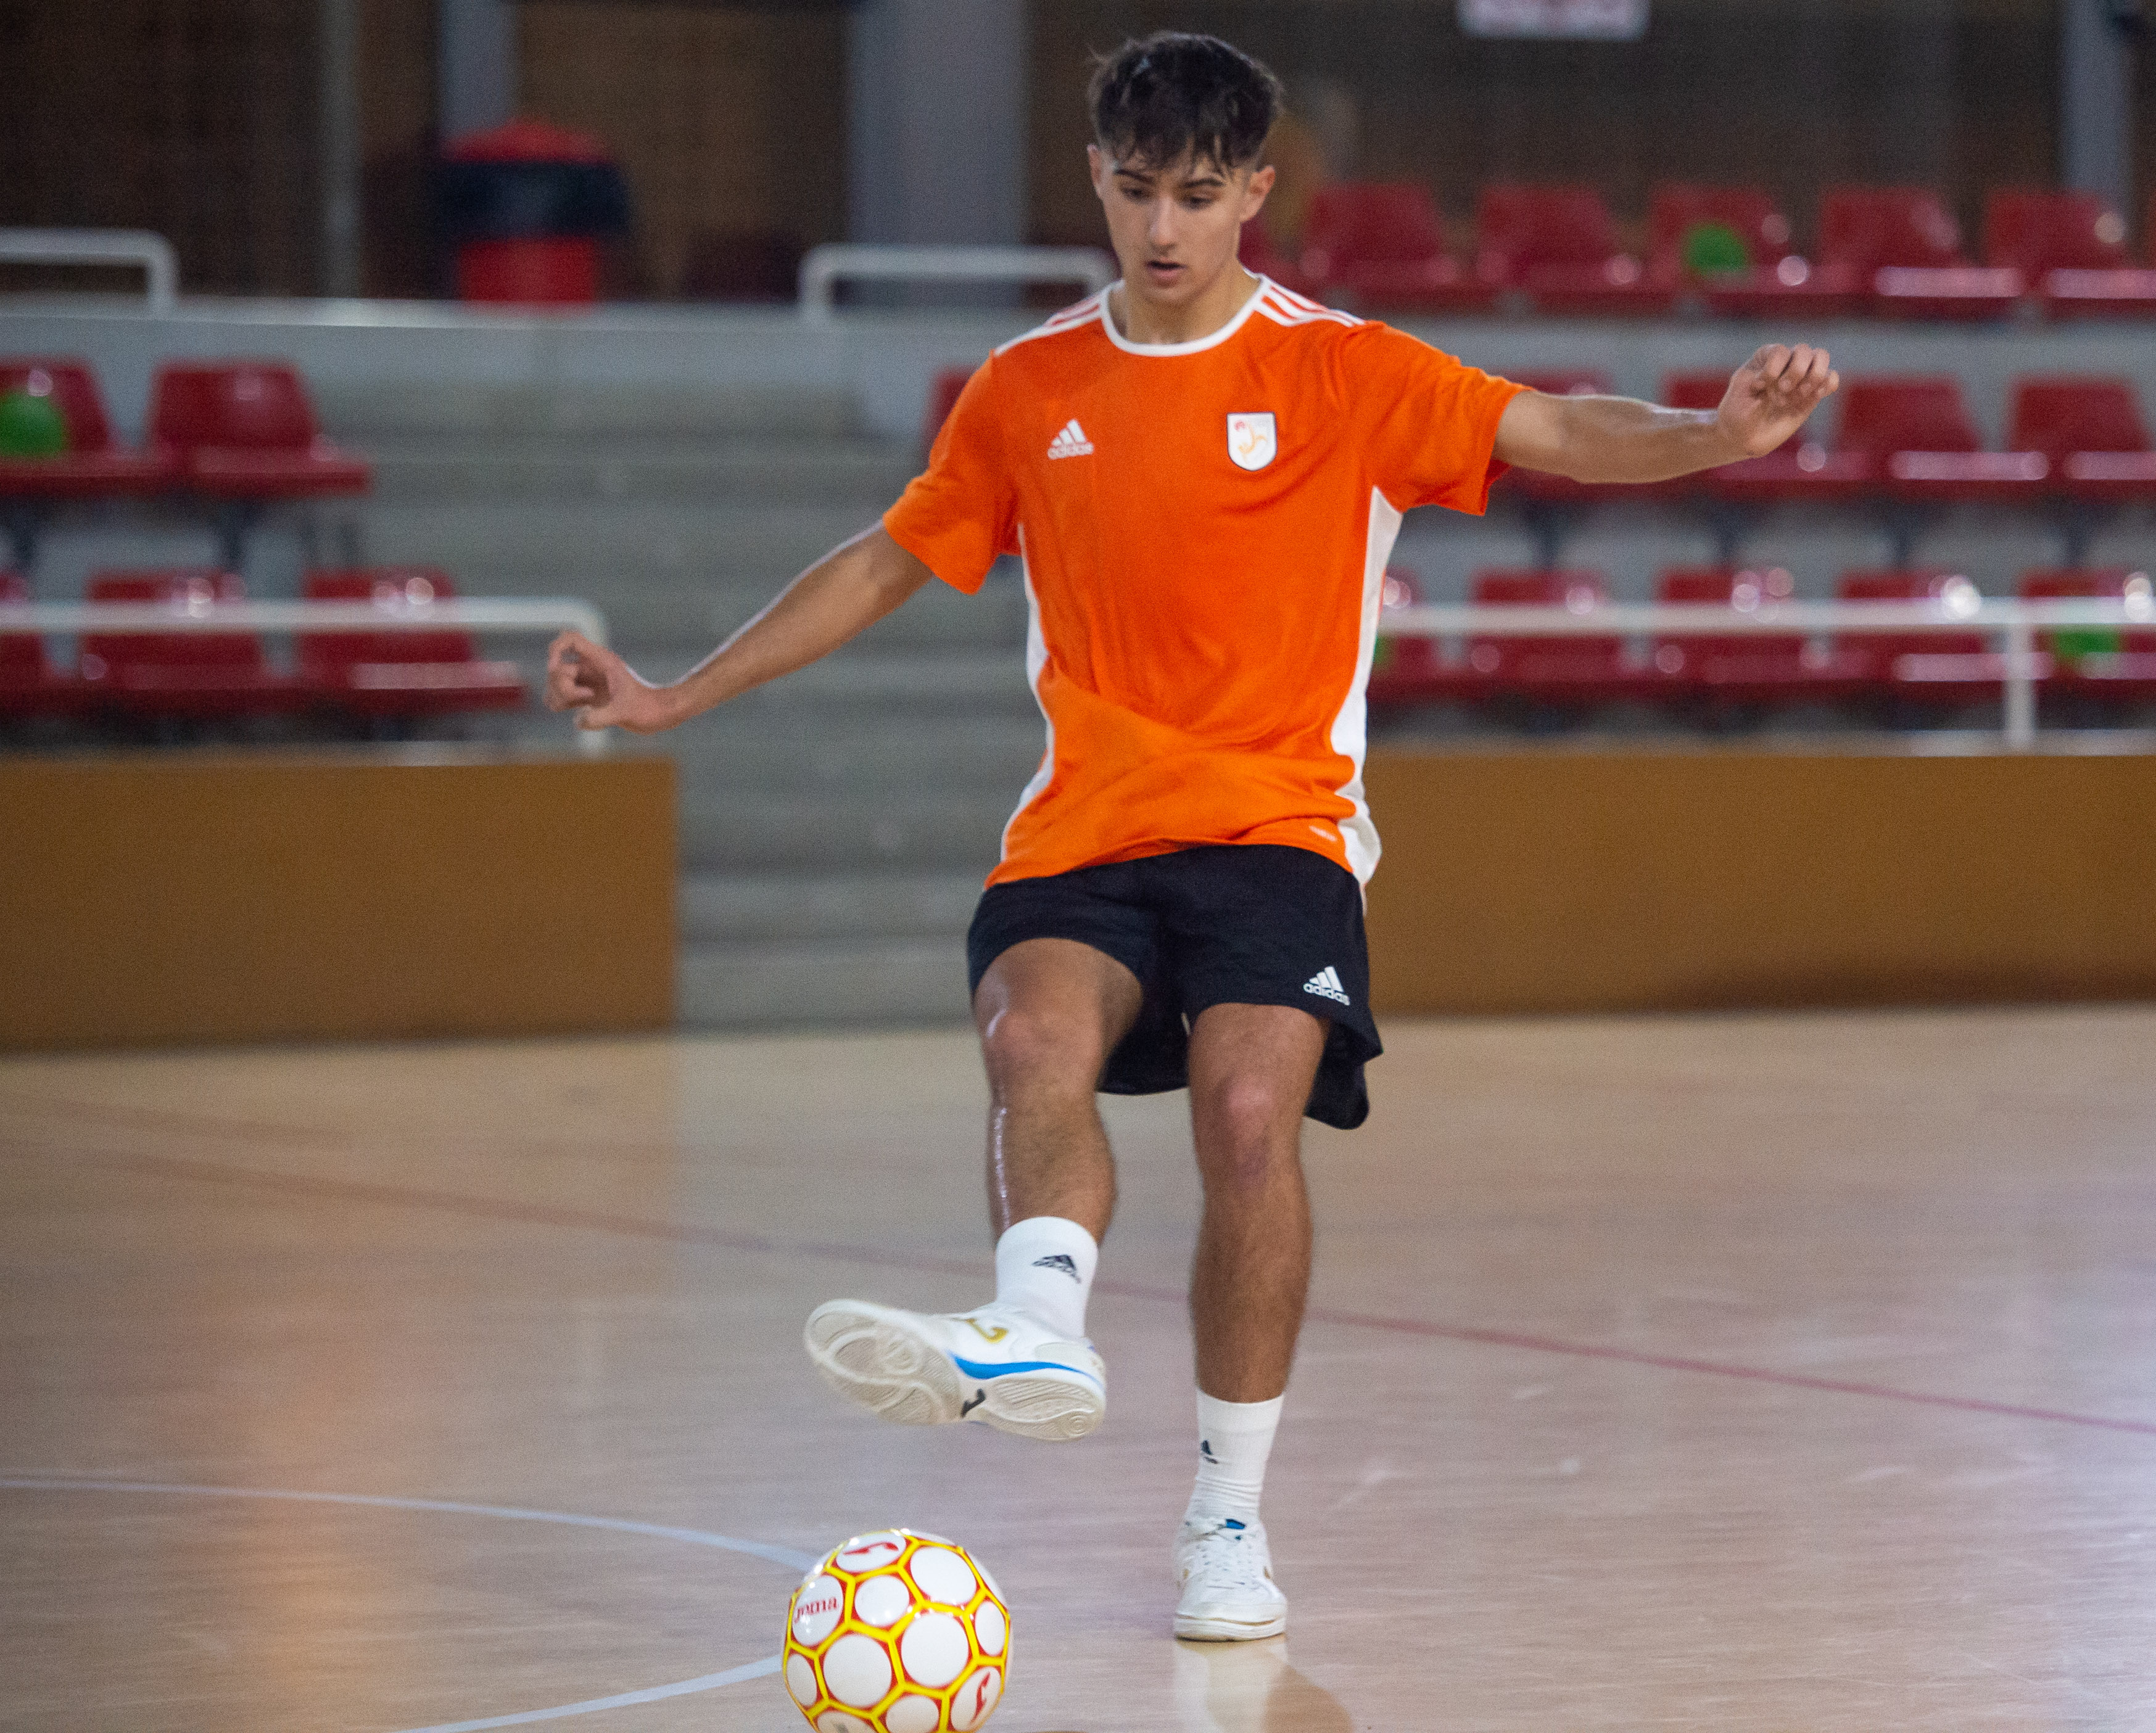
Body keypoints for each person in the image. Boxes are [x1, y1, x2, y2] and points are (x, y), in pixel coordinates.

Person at [544, 30, 1836, 1644]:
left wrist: (1715, 435)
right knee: (1031, 1030)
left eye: (1202, 195)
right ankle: (1040, 1327)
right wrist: (676, 694)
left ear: (1257, 197)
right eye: (1140, 190)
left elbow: (1559, 429)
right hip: (1081, 828)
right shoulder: (1027, 391)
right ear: (1097, 175)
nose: (1164, 227)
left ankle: (1226, 1514)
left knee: (1245, 1118)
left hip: (1277, 827)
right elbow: (884, 561)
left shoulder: (1345, 369)